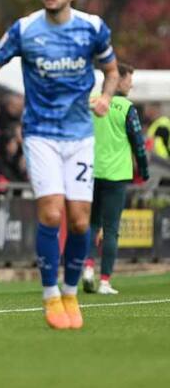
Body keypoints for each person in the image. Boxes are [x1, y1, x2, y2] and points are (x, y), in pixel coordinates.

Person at [0, 0, 119, 330]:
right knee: (50, 214)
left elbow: (112, 70)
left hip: (79, 136)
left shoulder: (92, 28)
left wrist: (106, 97)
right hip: (41, 134)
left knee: (78, 221)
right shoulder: (25, 29)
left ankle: (71, 292)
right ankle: (50, 295)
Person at [82, 63, 149, 295]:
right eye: (129, 79)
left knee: (91, 224)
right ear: (118, 80)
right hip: (117, 175)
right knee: (111, 229)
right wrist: (144, 170)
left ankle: (87, 268)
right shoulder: (127, 107)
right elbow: (138, 143)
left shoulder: (91, 102)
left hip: (91, 172)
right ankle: (104, 282)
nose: (131, 83)